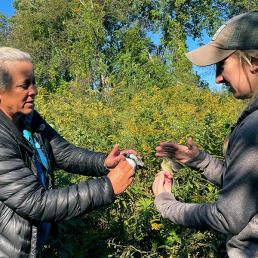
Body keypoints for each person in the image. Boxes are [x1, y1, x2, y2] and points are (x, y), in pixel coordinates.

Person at [0, 47, 138, 258]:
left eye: (34, 82)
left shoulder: (27, 118)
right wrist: (107, 187)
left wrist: (103, 162)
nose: (34, 90)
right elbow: (36, 202)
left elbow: (62, 152)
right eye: (24, 85)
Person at [152, 11, 258, 258]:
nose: (218, 79)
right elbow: (247, 190)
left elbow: (227, 217)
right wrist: (200, 161)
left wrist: (166, 202)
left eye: (222, 64)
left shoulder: (253, 128)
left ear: (253, 61)